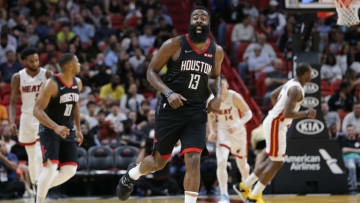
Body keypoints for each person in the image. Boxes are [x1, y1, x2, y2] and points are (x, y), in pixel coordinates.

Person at [116, 6, 223, 203]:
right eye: (195, 17)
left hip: (196, 109)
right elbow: (151, 72)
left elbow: (215, 78)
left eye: (203, 18)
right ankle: (132, 174)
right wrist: (168, 92)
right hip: (170, 109)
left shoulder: (217, 52)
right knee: (159, 162)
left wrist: (217, 97)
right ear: (190, 23)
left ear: (208, 24)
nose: (199, 20)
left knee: (193, 159)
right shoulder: (174, 44)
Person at [237, 64, 316, 203]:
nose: (311, 76)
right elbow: (287, 113)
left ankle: (245, 186)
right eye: (310, 74)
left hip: (275, 123)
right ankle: (254, 196)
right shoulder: (296, 89)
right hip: (276, 124)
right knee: (277, 163)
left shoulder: (292, 83)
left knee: (272, 160)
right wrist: (306, 113)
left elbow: (273, 96)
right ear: (304, 74)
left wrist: (277, 113)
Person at [33, 53, 83, 203]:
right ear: (69, 66)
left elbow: (75, 105)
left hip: (67, 129)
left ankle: (40, 184)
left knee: (70, 170)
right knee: (51, 167)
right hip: (50, 129)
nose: (79, 64)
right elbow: (37, 110)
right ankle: (39, 200)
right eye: (77, 62)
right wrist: (55, 127)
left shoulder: (78, 82)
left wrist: (78, 129)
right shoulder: (52, 84)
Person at [9, 47, 52, 194]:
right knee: (31, 155)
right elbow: (13, 102)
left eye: (37, 60)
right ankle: (35, 185)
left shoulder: (47, 74)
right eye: (31, 61)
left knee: (40, 153)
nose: (35, 63)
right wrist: (11, 122)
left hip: (42, 116)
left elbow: (56, 97)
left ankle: (41, 185)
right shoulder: (17, 77)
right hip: (26, 117)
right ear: (24, 61)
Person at [207, 76, 252, 203]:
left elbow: (249, 114)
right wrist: (211, 130)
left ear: (227, 84)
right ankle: (224, 195)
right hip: (223, 132)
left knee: (242, 165)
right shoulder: (212, 100)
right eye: (219, 85)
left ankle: (247, 191)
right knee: (221, 162)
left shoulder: (234, 96)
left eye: (223, 83)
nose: (221, 86)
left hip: (238, 132)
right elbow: (210, 116)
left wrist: (238, 124)